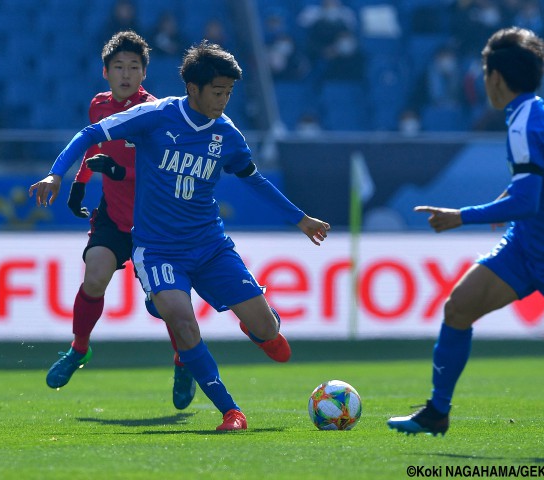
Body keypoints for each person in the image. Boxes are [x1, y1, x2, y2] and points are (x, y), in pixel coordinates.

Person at [29, 40, 330, 431]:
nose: (223, 100)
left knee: (266, 329)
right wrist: (57, 172)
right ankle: (230, 411)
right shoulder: (156, 116)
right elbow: (91, 133)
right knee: (181, 321)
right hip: (157, 249)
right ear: (194, 88)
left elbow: (252, 178)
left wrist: (299, 219)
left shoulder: (227, 133)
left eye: (229, 92)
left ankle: (260, 324)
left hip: (210, 247)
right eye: (217, 92)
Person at [387, 27, 544, 436]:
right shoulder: (534, 117)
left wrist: (463, 215)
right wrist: (501, 206)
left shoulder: (526, 124)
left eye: (483, 71)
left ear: (494, 78)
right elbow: (534, 189)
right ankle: (437, 412)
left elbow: (528, 201)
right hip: (526, 247)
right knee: (459, 307)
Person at [43, 30, 197, 411]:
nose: (126, 74)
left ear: (144, 73)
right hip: (113, 216)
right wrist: (79, 186)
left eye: (133, 67)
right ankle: (79, 349)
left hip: (153, 221)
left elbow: (160, 172)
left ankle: (184, 362)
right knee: (94, 276)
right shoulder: (99, 106)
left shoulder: (155, 113)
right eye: (118, 67)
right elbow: (92, 145)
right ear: (105, 72)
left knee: (167, 305)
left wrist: (115, 171)